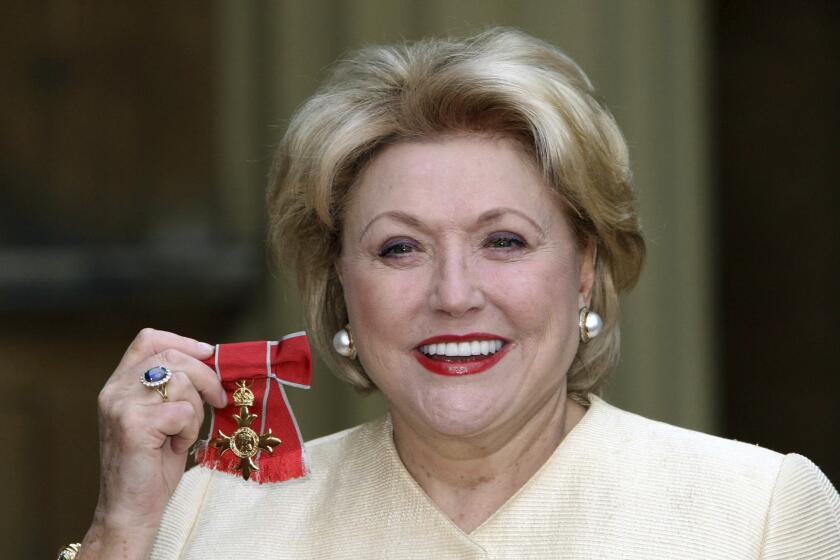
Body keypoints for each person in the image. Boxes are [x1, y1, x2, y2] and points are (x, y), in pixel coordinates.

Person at [68, 28, 839, 559]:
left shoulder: (760, 514)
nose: (454, 293)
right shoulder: (208, 515)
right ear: (339, 284)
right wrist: (121, 532)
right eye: (399, 248)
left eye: (504, 240)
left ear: (585, 268)